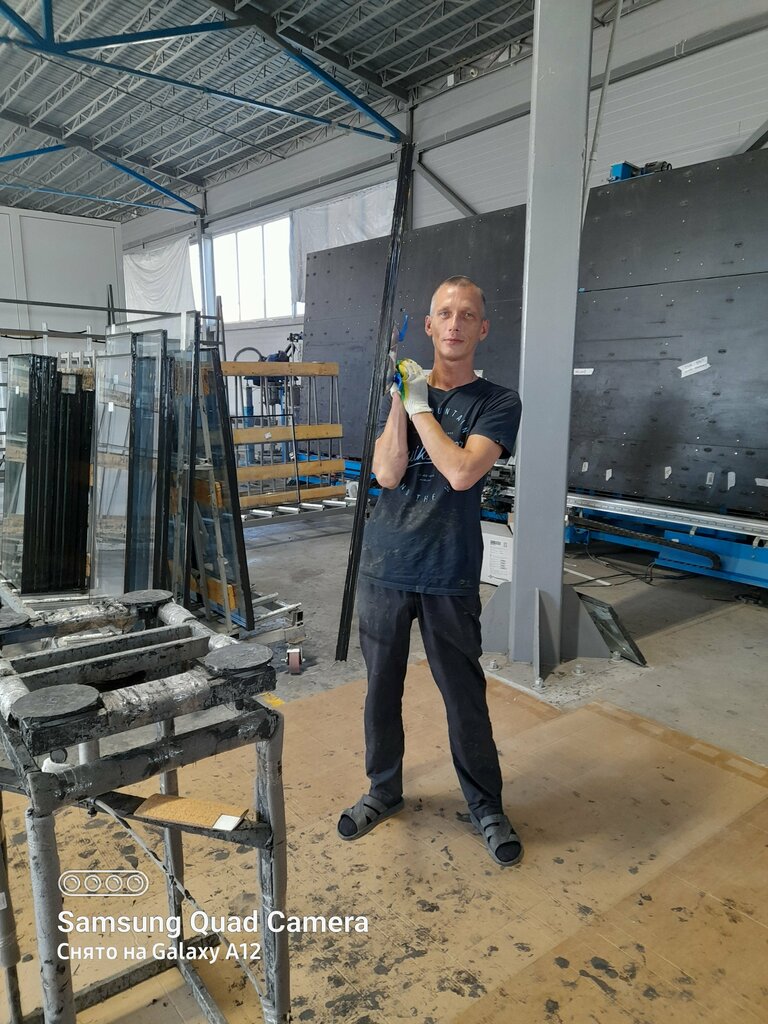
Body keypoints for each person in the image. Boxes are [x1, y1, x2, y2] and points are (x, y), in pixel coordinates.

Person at [337, 276, 523, 867]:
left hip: (448, 568)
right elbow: (388, 474)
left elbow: (463, 472)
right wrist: (402, 398)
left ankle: (486, 806)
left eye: (467, 315)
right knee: (380, 689)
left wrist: (420, 406)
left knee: (464, 696)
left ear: (482, 328)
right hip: (386, 566)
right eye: (444, 313)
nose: (454, 323)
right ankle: (382, 789)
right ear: (429, 324)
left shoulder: (498, 402)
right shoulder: (405, 392)